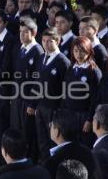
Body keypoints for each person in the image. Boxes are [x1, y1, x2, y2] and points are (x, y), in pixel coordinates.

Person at [29, 27, 70, 161]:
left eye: (50, 41)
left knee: (54, 142)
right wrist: (33, 104)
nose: (46, 44)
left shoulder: (63, 61)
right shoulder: (41, 58)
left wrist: (60, 110)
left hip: (54, 108)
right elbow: (37, 82)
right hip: (40, 107)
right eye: (44, 40)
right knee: (42, 141)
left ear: (57, 41)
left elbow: (66, 88)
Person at [10, 18, 44, 162]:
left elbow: (38, 81)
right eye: (20, 32)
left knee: (27, 135)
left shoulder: (38, 51)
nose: (22, 35)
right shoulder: (19, 48)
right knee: (15, 132)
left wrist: (32, 103)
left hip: (28, 101)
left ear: (34, 33)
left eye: (25, 32)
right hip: (17, 99)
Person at [61, 36, 102, 148]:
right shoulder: (71, 68)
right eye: (76, 51)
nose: (79, 54)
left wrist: (89, 119)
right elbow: (65, 91)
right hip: (70, 114)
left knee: (84, 146)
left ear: (89, 51)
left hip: (84, 116)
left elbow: (95, 98)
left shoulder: (93, 71)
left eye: (82, 51)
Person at [44, 109, 98, 179]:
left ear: (57, 132)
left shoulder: (53, 162)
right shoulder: (88, 153)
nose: (49, 127)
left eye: (51, 124)